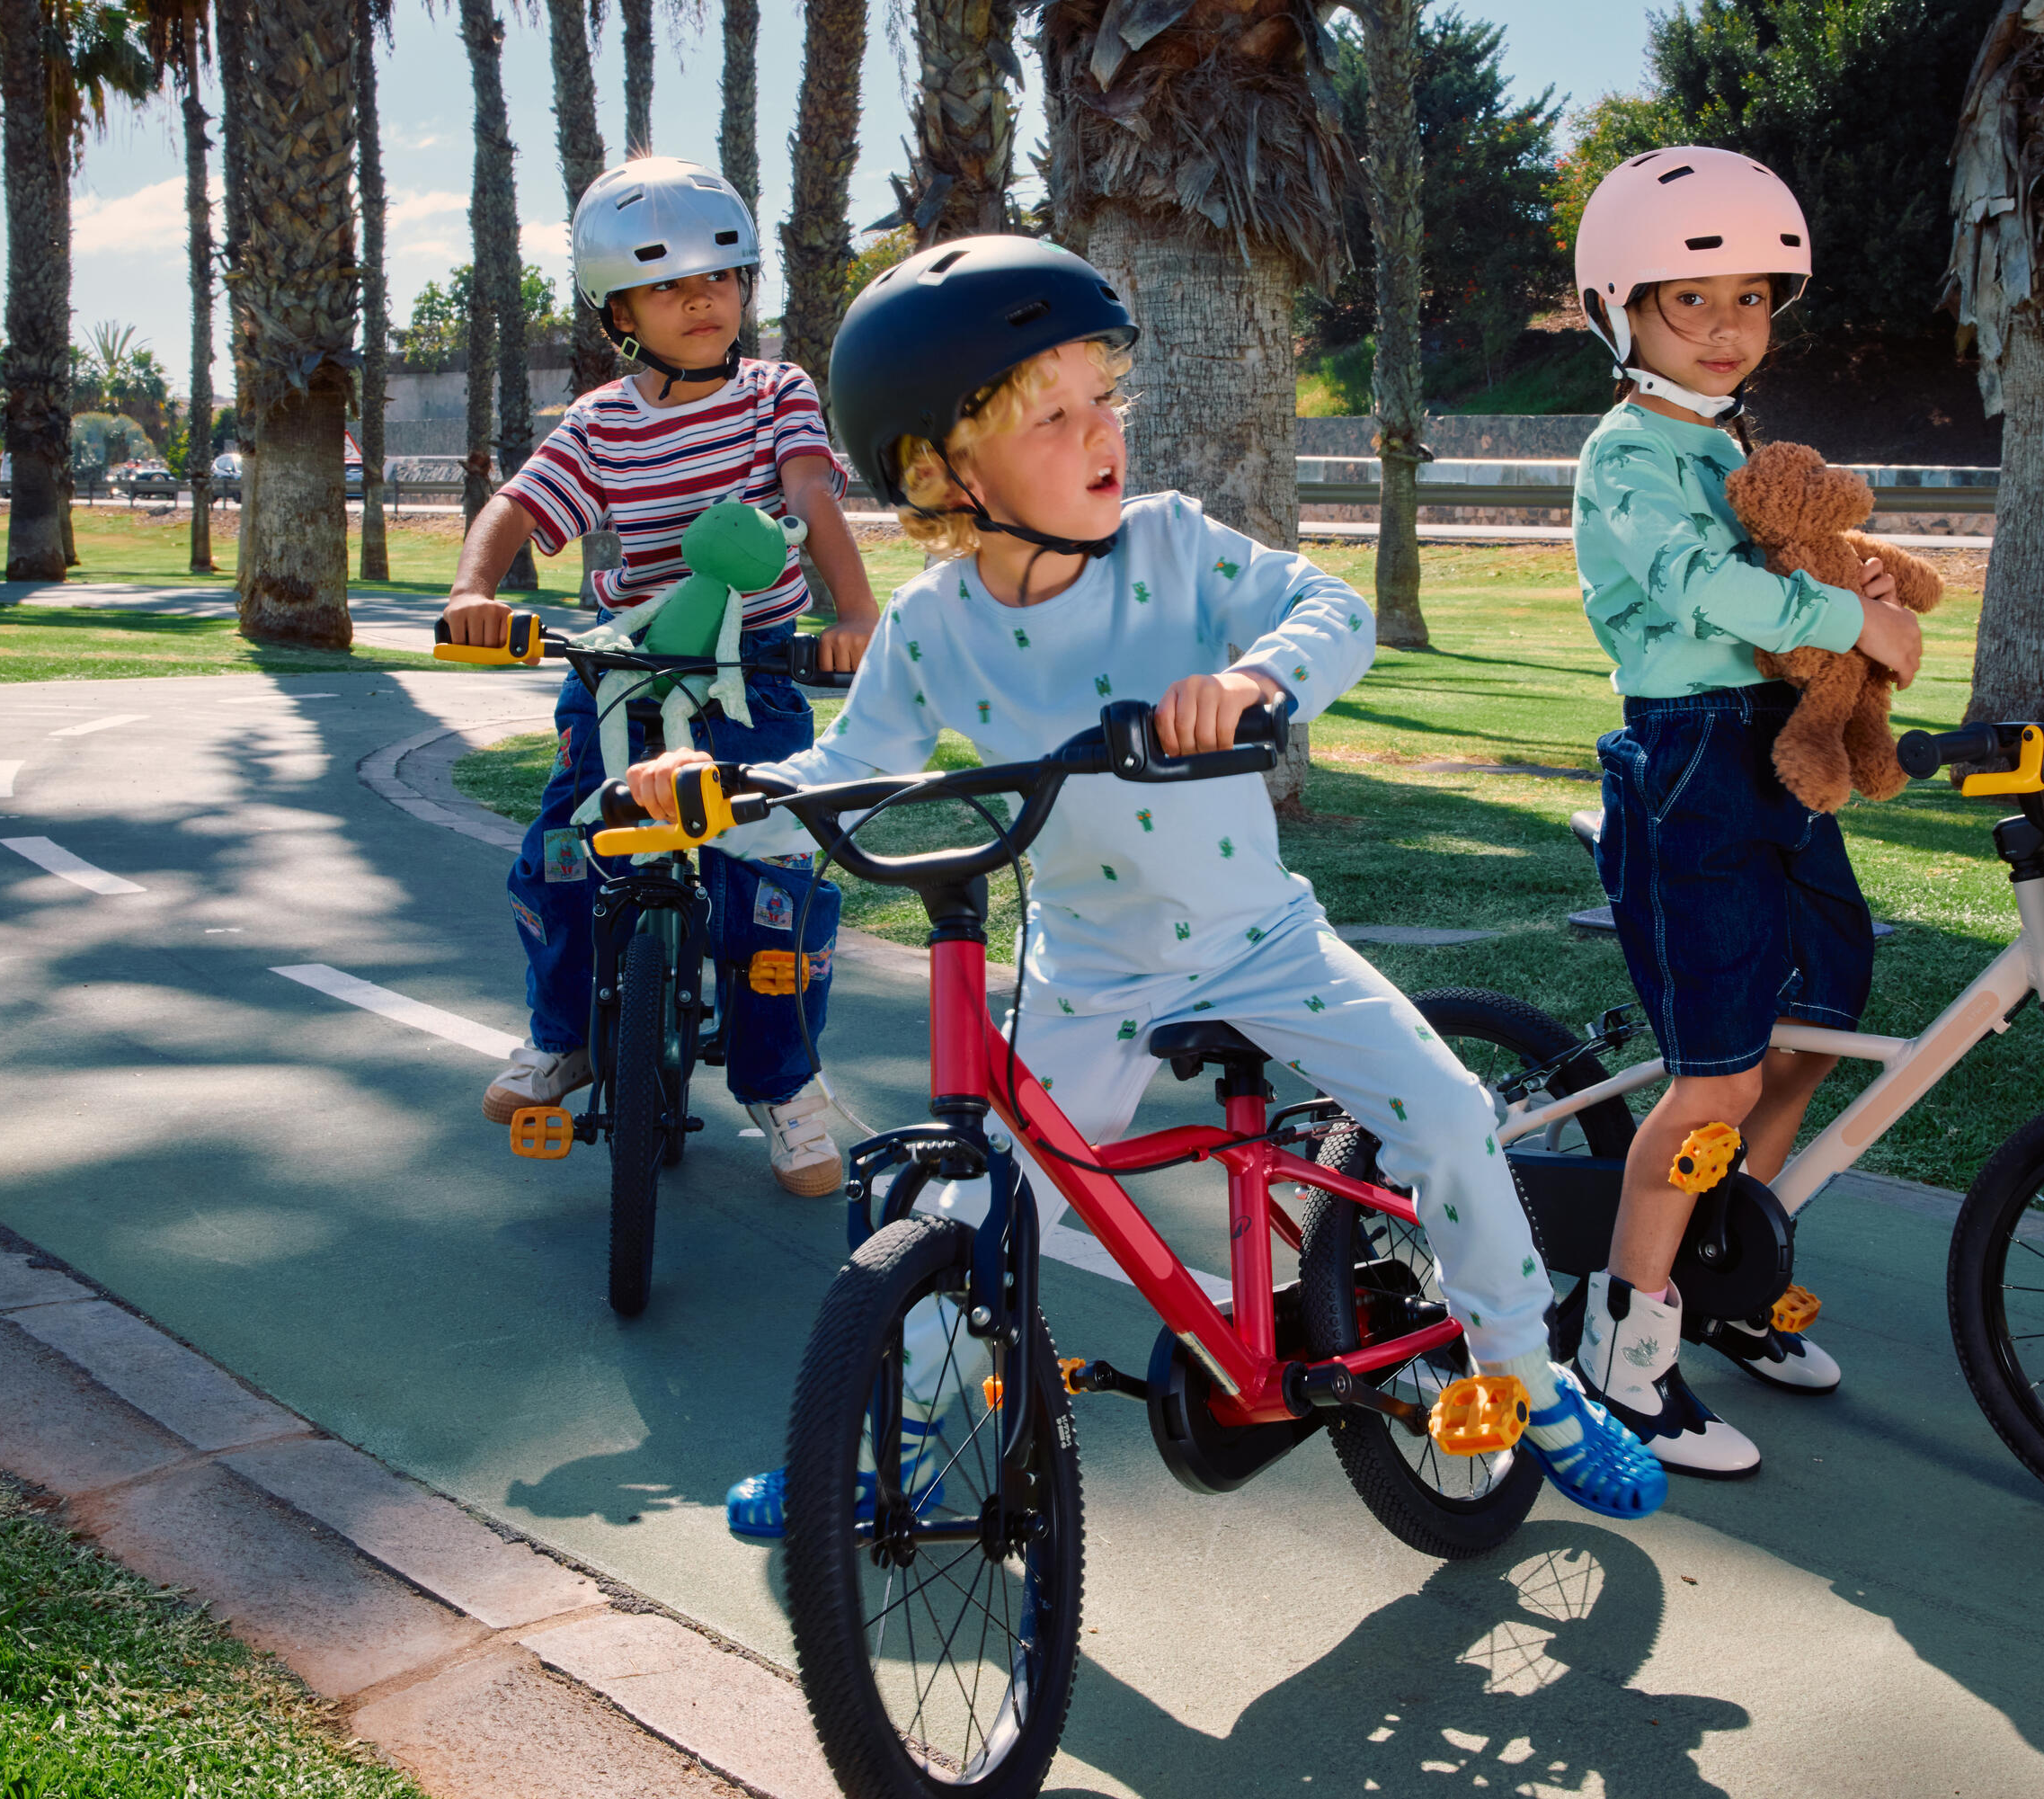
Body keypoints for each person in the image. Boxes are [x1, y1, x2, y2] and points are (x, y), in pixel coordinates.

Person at [611, 235, 1668, 1536]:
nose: (1103, 428)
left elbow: (1323, 605)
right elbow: (848, 776)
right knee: (974, 1208)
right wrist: (712, 802)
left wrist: (1254, 680)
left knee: (1448, 1112)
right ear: (945, 470)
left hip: (1263, 941)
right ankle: (894, 1456)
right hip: (1087, 977)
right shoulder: (933, 625)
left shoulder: (1172, 547)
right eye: (1054, 414)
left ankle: (1535, 1379)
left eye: (1104, 396)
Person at [1562, 147, 1925, 1477]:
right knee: (1714, 1066)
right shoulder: (1624, 459)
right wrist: (1856, 617)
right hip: (1693, 758)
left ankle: (1722, 1271)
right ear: (1621, 311)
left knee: (1819, 1018)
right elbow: (1709, 591)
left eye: (1754, 302)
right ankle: (1625, 1341)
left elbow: (1784, 554)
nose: (1729, 332)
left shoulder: (1729, 444)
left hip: (1779, 748)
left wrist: (1858, 577)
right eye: (1691, 303)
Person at [438, 156, 881, 1196]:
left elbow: (812, 497)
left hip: (754, 679)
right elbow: (515, 505)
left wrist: (851, 614)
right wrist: (472, 590)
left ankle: (782, 1084)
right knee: (558, 851)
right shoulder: (600, 423)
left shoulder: (776, 395)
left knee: (773, 877)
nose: (702, 299)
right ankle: (565, 1039)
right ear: (617, 312)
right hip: (621, 684)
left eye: (721, 278)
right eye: (670, 284)